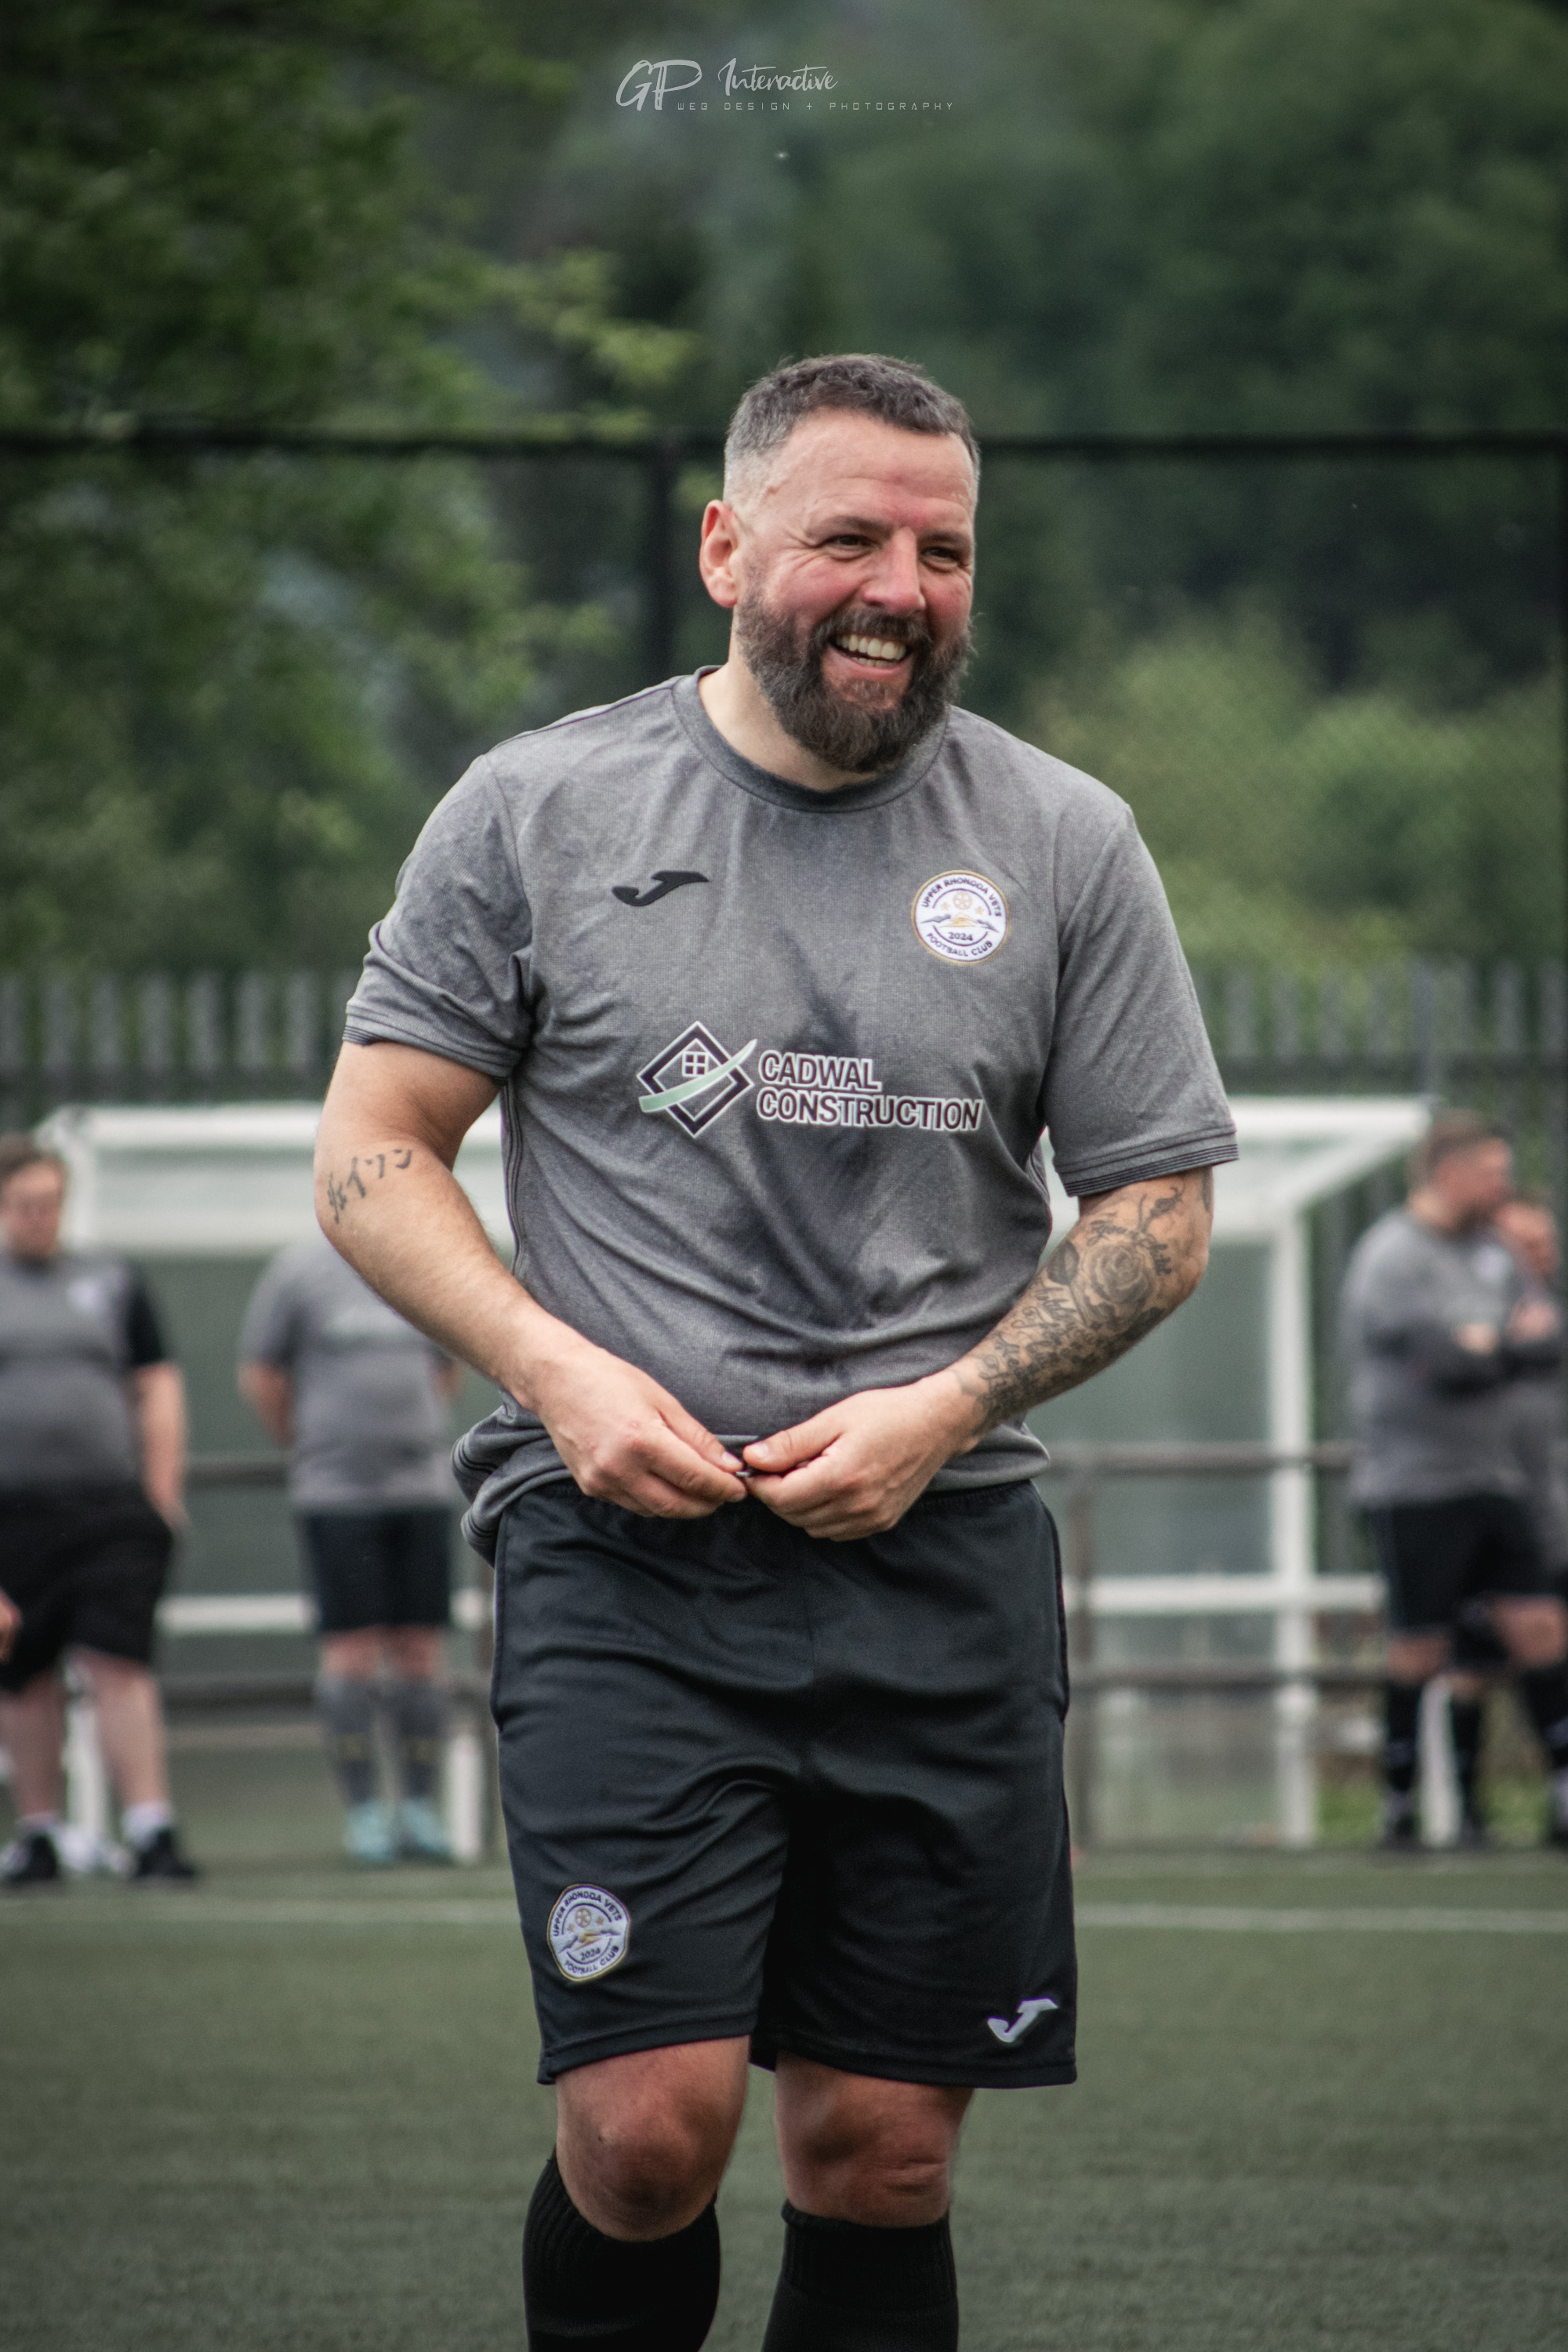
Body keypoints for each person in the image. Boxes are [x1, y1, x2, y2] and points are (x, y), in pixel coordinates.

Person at [314, 352, 1236, 2352]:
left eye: (943, 547)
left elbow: (1157, 1205)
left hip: (942, 1557)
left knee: (882, 2150)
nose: (900, 582)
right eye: (849, 535)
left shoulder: (1067, 842)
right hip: (626, 1563)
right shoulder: (539, 808)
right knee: (649, 2134)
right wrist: (556, 1372)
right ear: (727, 544)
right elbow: (373, 1155)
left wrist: (948, 1404)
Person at [1341, 1112, 1568, 1852]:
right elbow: (1444, 1364)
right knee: (1420, 1647)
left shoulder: (1494, 1254)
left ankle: (1561, 1800)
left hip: (1494, 1476)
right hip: (1416, 1484)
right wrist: (1498, 1347)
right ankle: (1399, 1811)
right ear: (1449, 1173)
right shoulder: (1392, 1258)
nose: (1503, 1187)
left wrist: (1489, 1346)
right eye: (1493, 1173)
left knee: (1539, 1626)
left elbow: (1545, 1342)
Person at [0, 1134, 198, 1886]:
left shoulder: (112, 1280)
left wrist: (162, 1496)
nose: (41, 1216)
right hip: (13, 1514)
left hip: (108, 1512)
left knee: (120, 1662)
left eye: (51, 1202)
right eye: (25, 1204)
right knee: (22, 1673)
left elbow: (158, 1383)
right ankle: (39, 1834)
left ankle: (151, 1830)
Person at [238, 1232, 465, 1864]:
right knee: (352, 1654)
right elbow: (261, 1373)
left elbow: (449, 1364)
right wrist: (313, 1443)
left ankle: (419, 1810)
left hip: (420, 1490)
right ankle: (364, 1815)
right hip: (337, 1497)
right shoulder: (297, 1272)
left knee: (421, 1652)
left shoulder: (419, 1257)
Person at [1445, 1188, 1568, 1839]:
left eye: (1545, 1246)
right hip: (1476, 1510)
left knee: (1545, 1647)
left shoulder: (1544, 1316)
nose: (1538, 1258)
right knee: (1470, 1665)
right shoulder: (1472, 1307)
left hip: (1544, 1517)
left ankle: (1557, 1800)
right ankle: (1466, 1811)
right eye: (1525, 1246)